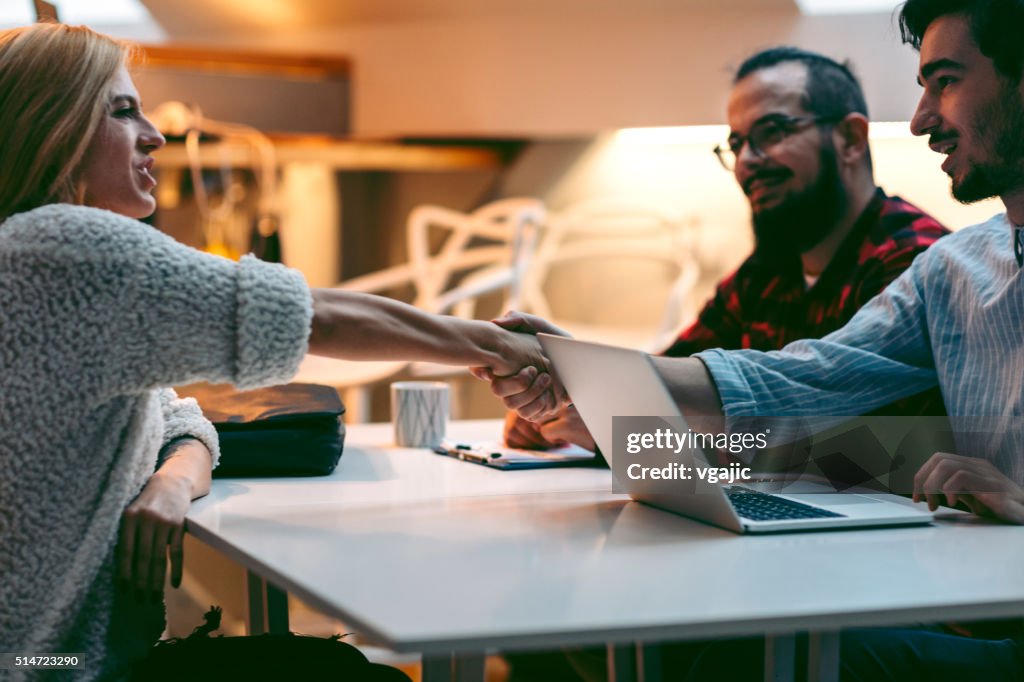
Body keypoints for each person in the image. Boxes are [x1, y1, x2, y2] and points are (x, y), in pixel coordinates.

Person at [0, 22, 559, 682]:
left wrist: (171, 483)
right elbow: (310, 316)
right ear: (53, 129)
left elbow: (178, 419)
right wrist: (494, 345)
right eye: (123, 111)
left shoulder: (29, 256)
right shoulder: (66, 250)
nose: (154, 135)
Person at [497, 1, 1024, 678]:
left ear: (851, 139)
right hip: (965, 594)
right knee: (572, 614)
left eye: (944, 80)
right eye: (738, 142)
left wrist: (629, 427)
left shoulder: (907, 253)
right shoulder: (941, 271)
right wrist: (597, 389)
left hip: (911, 579)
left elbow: (855, 454)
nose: (920, 119)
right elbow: (795, 379)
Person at [503, 46, 948, 466]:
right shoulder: (766, 272)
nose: (747, 161)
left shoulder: (917, 264)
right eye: (736, 144)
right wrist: (570, 403)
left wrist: (624, 436)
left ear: (850, 138)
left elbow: (873, 455)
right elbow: (675, 377)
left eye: (771, 132)